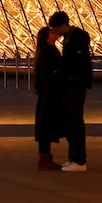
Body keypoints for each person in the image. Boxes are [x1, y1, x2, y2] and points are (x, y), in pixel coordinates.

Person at [50, 11, 92, 172]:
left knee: (75, 122)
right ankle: (73, 158)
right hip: (72, 85)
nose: (55, 32)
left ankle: (80, 160)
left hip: (76, 85)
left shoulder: (76, 38)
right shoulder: (71, 37)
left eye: (55, 29)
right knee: (71, 121)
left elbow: (77, 64)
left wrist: (67, 78)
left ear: (63, 26)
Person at [32, 26, 64, 170]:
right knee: (47, 126)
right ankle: (44, 160)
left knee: (45, 126)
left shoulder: (43, 50)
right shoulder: (49, 50)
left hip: (46, 93)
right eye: (52, 32)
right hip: (50, 93)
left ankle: (44, 158)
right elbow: (50, 72)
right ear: (46, 36)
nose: (55, 33)